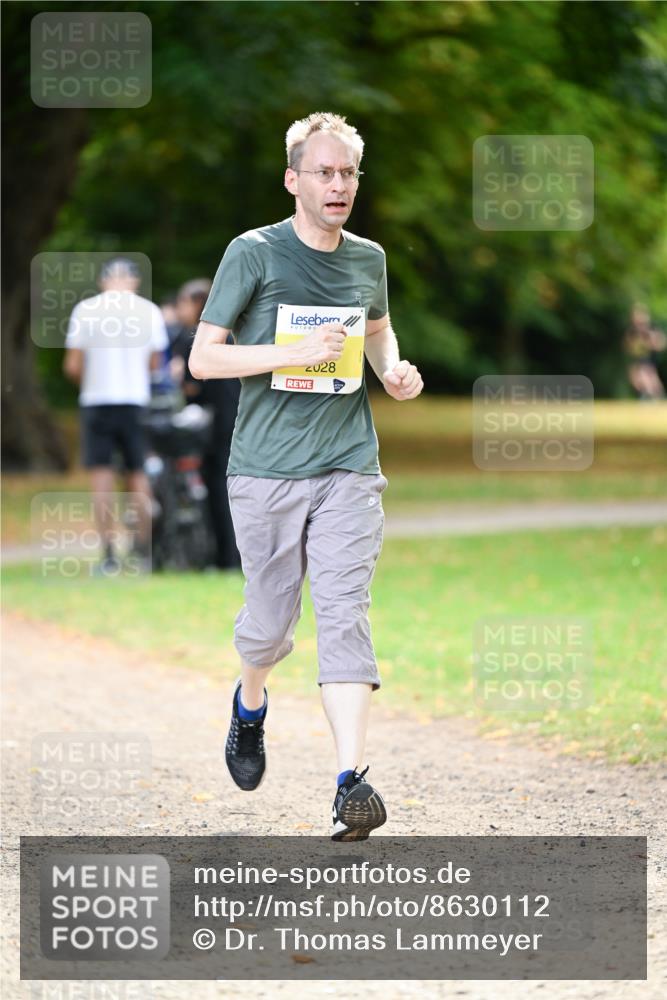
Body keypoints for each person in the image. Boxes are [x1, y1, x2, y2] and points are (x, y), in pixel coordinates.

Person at [189, 111, 423, 841]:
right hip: (264, 471)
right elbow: (204, 360)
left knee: (345, 612)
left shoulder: (367, 259)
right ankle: (249, 702)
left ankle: (350, 782)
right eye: (322, 172)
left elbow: (376, 329)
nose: (337, 184)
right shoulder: (252, 254)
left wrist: (391, 371)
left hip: (348, 465)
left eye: (347, 172)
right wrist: (290, 355)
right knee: (266, 627)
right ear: (293, 179)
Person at [63, 258, 169, 573]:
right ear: (134, 281)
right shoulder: (149, 312)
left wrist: (90, 382)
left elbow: (72, 365)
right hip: (135, 401)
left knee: (101, 479)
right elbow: (155, 364)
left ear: (103, 280)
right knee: (138, 476)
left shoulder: (86, 310)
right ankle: (142, 551)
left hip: (97, 401)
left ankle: (109, 555)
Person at [172, 279, 241, 569]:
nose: (179, 310)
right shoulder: (233, 333)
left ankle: (224, 557)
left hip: (213, 426)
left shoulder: (196, 338)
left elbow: (190, 385)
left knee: (218, 490)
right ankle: (234, 555)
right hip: (238, 419)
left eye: (183, 303)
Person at [624, 303, 666, 401]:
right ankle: (652, 396)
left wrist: (652, 342)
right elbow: (628, 346)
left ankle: (652, 397)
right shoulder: (633, 331)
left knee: (647, 376)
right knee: (637, 378)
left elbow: (661, 343)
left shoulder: (651, 329)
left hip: (649, 359)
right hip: (639, 360)